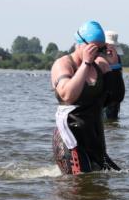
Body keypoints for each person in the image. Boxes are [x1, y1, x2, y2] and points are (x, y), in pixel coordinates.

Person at [51, 21, 122, 174]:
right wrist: (85, 64)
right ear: (81, 44)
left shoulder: (101, 65)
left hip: (94, 135)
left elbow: (116, 98)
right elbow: (68, 95)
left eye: (102, 48)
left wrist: (115, 67)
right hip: (70, 137)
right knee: (81, 181)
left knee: (116, 176)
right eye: (95, 48)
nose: (99, 53)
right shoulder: (63, 64)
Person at [102, 30, 125, 121]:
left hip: (110, 96)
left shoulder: (112, 57)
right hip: (112, 95)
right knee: (112, 122)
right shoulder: (116, 57)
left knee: (109, 119)